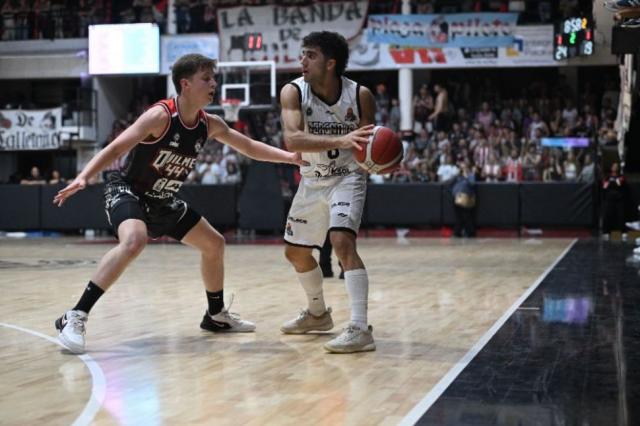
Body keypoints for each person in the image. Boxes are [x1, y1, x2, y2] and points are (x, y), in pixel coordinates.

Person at [52, 53, 305, 354]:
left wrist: (289, 157)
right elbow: (117, 147)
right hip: (129, 190)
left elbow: (248, 146)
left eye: (213, 78)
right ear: (185, 84)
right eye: (206, 79)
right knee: (134, 240)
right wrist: (84, 177)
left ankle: (215, 316)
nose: (213, 84)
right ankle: (75, 315)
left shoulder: (209, 124)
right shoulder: (160, 116)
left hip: (162, 200)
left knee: (214, 244)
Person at [279, 31, 376, 353]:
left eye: (311, 55)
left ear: (330, 63)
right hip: (311, 180)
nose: (302, 60)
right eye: (302, 54)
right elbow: (293, 139)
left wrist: (381, 160)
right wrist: (341, 140)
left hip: (347, 177)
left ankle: (360, 328)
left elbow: (369, 147)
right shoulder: (293, 91)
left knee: (341, 241)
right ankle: (318, 314)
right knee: (295, 253)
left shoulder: (360, 95)